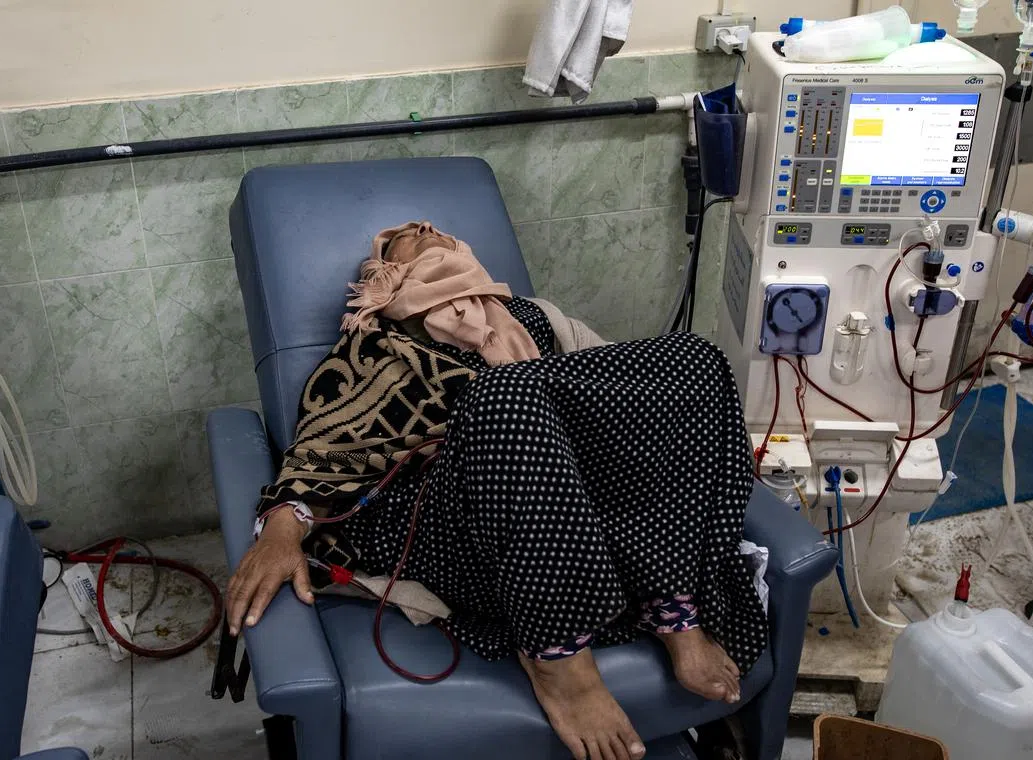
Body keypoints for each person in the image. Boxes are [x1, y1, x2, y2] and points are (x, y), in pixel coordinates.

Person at [227, 222, 767, 760]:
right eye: (407, 242)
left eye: (437, 232)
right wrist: (280, 534)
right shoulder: (372, 348)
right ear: (385, 280)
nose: (424, 230)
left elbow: (625, 407)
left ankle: (671, 607)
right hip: (452, 527)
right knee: (503, 395)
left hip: (578, 513)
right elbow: (318, 456)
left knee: (692, 357)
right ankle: (560, 662)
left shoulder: (536, 319)